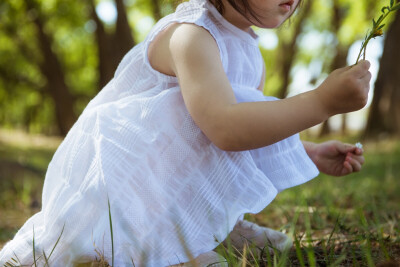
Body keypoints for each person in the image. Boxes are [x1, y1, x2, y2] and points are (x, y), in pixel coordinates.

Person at [0, 0, 370, 266]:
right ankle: (168, 249)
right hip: (122, 188)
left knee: (231, 110)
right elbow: (226, 128)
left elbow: (238, 134)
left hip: (166, 182)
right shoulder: (192, 35)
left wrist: (310, 152)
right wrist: (321, 102)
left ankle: (213, 228)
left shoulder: (248, 51)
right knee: (204, 113)